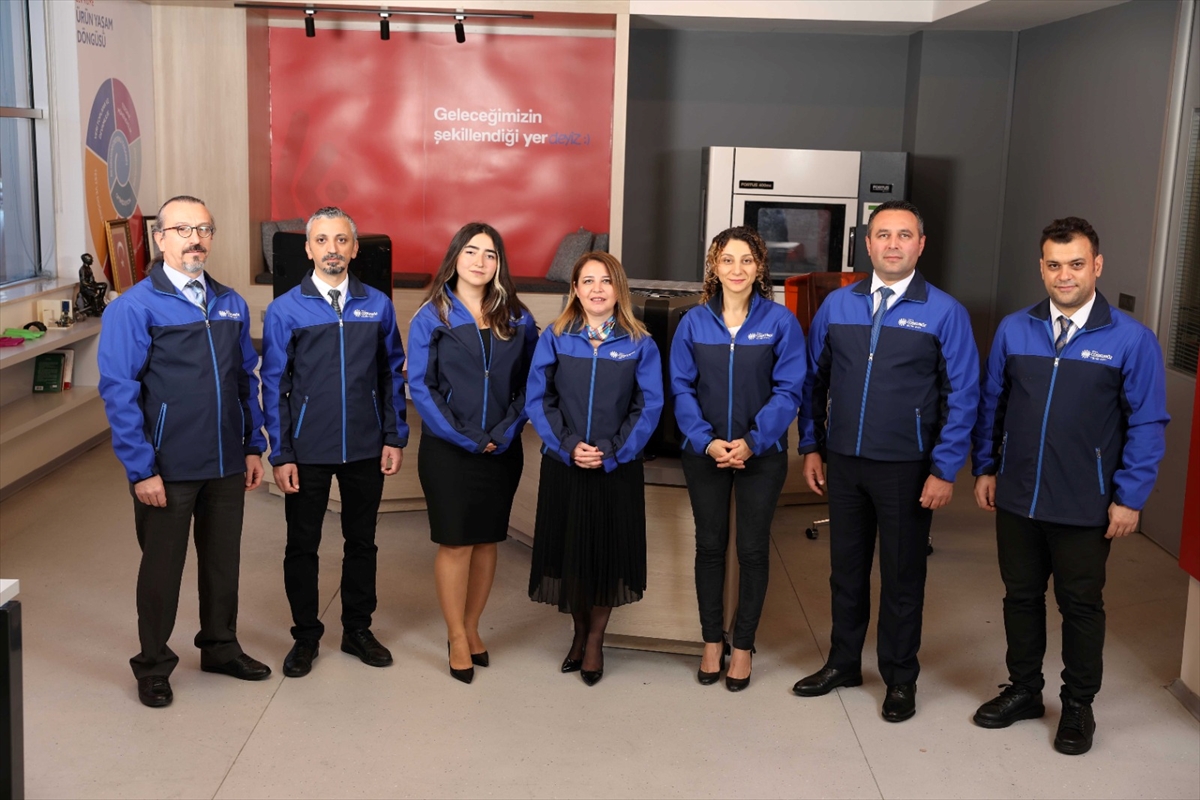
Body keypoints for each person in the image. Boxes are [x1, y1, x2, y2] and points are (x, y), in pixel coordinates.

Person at [970, 217, 1168, 755]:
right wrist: (986, 467)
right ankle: (1024, 691)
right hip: (1018, 496)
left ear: (1096, 266)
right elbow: (993, 404)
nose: (1065, 276)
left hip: (1086, 503)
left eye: (1076, 264)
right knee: (1020, 597)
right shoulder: (1015, 329)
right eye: (1054, 265)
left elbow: (1148, 424)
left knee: (1080, 605)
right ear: (1041, 267)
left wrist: (1129, 497)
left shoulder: (1131, 340)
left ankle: (1078, 705)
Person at [793, 200, 979, 722]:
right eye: (882, 234)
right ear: (868, 244)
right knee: (845, 572)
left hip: (908, 468)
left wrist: (944, 469)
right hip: (845, 463)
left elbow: (964, 395)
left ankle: (900, 678)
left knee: (902, 577)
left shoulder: (945, 312)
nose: (892, 244)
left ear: (921, 244)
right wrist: (811, 445)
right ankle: (843, 663)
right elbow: (812, 382)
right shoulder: (838, 306)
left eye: (903, 235)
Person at [97, 195, 271, 708]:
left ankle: (220, 647)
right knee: (162, 569)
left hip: (225, 463)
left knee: (222, 564)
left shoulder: (230, 302)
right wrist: (141, 470)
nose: (195, 239)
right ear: (160, 238)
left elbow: (245, 381)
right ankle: (152, 664)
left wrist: (252, 446)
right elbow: (119, 392)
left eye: (204, 229)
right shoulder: (134, 307)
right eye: (182, 230)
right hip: (166, 468)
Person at [260, 207, 407, 678]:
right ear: (308, 249)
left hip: (366, 447)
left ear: (355, 248)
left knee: (362, 542)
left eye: (341, 240)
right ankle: (305, 636)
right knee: (302, 546)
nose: (332, 249)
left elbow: (391, 375)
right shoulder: (285, 310)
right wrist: (281, 452)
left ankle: (357, 630)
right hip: (307, 451)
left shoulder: (378, 306)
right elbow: (274, 385)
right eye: (322, 240)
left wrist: (394, 436)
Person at [670, 226, 806, 691]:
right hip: (704, 453)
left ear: (760, 266)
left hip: (761, 455)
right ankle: (712, 641)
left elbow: (789, 390)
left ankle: (743, 645)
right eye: (727, 259)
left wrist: (753, 440)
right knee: (709, 547)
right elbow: (681, 388)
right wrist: (706, 440)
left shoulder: (781, 322)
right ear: (714, 265)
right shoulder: (692, 322)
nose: (737, 269)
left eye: (747, 259)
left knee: (751, 549)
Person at [525, 251, 664, 686]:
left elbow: (648, 406)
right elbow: (539, 400)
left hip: (615, 468)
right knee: (572, 554)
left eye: (606, 280)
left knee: (606, 557)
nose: (597, 289)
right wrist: (569, 446)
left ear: (619, 288)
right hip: (565, 465)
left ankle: (594, 642)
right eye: (588, 281)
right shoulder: (555, 337)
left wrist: (611, 451)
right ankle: (578, 631)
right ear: (575, 289)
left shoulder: (640, 343)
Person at [406, 222, 537, 684]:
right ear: (455, 258)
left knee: (486, 541)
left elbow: (532, 382)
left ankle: (473, 625)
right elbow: (421, 387)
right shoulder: (431, 317)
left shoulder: (518, 317)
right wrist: (468, 437)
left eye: (490, 254)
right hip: (449, 449)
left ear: (499, 264)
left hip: (502, 446)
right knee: (457, 542)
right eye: (471, 251)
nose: (480, 261)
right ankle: (456, 636)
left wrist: (504, 431)